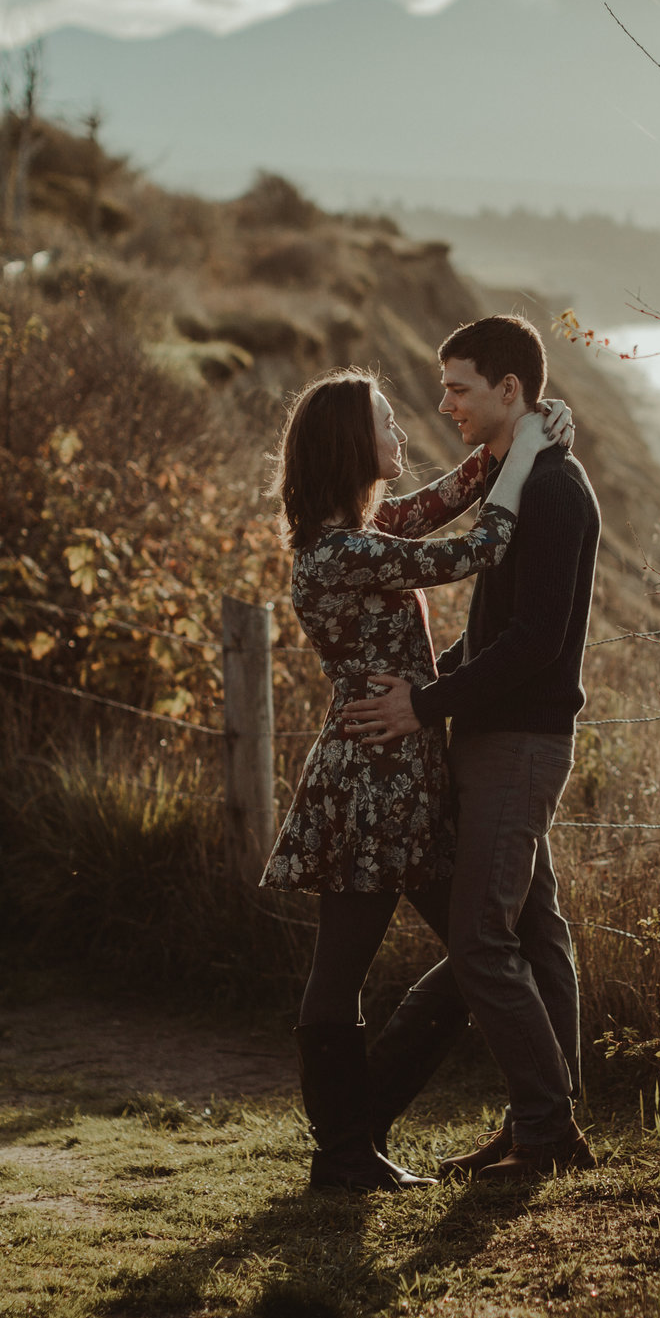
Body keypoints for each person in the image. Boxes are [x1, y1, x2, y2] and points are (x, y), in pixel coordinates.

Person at [260, 367, 570, 1192]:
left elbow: (440, 499)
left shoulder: (358, 531)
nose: (404, 433)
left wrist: (523, 432)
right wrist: (525, 453)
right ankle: (344, 1152)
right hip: (369, 780)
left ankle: (364, 1133)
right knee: (360, 965)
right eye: (387, 421)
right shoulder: (343, 552)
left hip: (402, 772)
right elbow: (478, 546)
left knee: (476, 947)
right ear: (350, 445)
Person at [342, 315, 602, 1182]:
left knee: (480, 938)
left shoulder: (556, 492)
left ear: (509, 391)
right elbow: (494, 629)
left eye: (458, 387)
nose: (444, 401)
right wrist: (433, 686)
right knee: (536, 929)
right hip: (497, 731)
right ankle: (541, 1120)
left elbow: (531, 642)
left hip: (521, 740)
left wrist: (426, 703)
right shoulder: (515, 481)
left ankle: (544, 1130)